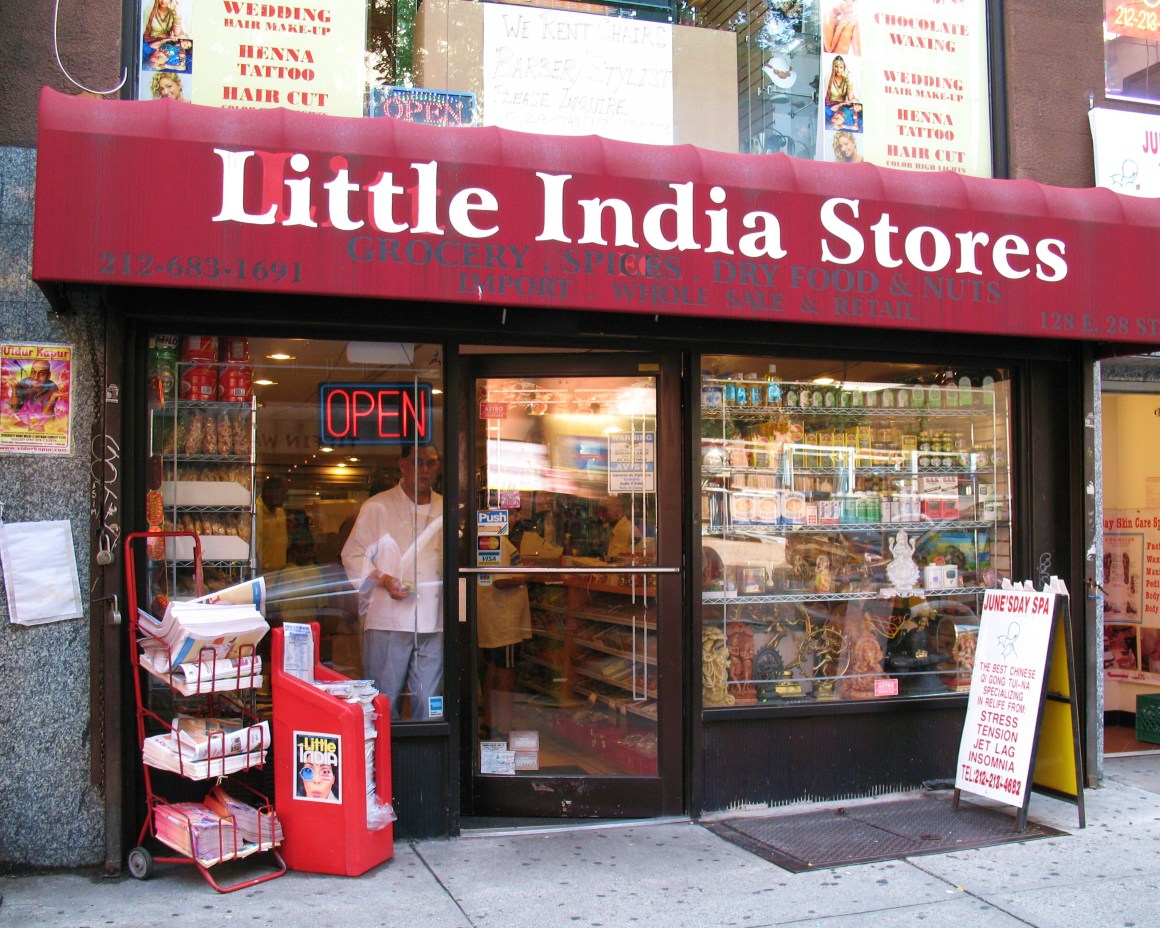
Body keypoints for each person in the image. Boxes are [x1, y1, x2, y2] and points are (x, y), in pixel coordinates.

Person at [341, 445, 443, 721]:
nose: (424, 469)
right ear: (402, 465)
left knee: (429, 703)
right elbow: (352, 554)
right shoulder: (377, 507)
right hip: (388, 621)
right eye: (417, 462)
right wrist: (383, 579)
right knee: (383, 703)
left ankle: (427, 760)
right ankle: (384, 761)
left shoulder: (446, 508)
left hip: (433, 622)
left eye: (431, 463)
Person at [476, 532, 531, 740]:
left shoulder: (490, 540)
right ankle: (504, 727)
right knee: (505, 671)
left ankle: (491, 723)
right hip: (503, 620)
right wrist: (527, 576)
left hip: (496, 619)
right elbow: (500, 581)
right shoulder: (495, 541)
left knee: (492, 669)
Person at [9, 359, 61, 432]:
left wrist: (52, 399)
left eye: (42, 373)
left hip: (45, 425)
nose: (36, 377)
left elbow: (45, 416)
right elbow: (15, 408)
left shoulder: (52, 388)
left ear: (48, 376)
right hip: (25, 423)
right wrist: (14, 389)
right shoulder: (24, 382)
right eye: (33, 372)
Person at [257, 475, 289, 574]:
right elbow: (254, 550)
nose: (286, 497)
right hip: (263, 574)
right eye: (282, 493)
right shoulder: (256, 511)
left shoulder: (280, 511)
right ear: (269, 493)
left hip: (280, 573)